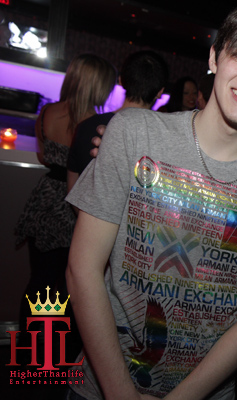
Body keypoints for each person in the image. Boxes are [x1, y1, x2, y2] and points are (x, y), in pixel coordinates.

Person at [65, 2, 237, 399]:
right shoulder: (134, 133)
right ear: (214, 58)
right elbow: (82, 268)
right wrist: (119, 392)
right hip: (102, 386)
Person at [14, 53, 116, 362]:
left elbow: (43, 157)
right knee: (72, 287)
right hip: (76, 207)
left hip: (44, 201)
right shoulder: (98, 126)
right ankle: (57, 355)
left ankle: (33, 352)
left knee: (40, 282)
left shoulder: (47, 112)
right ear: (98, 86)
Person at [67, 50, 169, 191]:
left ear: (121, 81)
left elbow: (72, 187)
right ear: (160, 92)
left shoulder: (86, 126)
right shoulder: (163, 137)